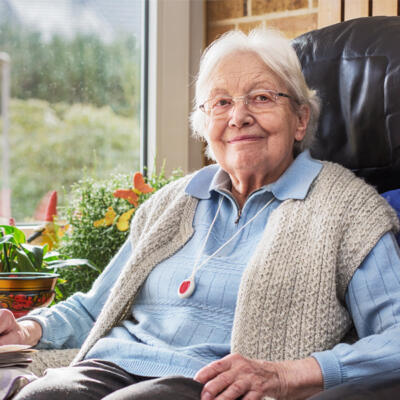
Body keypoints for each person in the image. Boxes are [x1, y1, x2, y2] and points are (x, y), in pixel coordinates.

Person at [1, 28, 400, 400]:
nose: (237, 117)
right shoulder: (171, 203)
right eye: (221, 102)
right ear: (205, 126)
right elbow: (95, 307)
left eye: (261, 98)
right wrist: (27, 328)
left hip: (205, 383)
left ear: (300, 119)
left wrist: (285, 374)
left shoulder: (347, 208)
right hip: (110, 364)